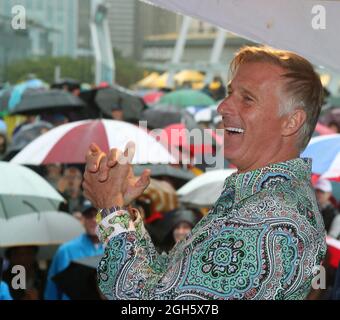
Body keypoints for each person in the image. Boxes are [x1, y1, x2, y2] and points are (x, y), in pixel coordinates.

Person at [83, 46, 327, 300]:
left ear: (291, 122)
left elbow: (139, 301)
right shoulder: (260, 202)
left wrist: (112, 209)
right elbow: (165, 282)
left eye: (247, 99)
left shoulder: (272, 221)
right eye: (230, 93)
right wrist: (121, 210)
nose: (223, 107)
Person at [44, 203, 104, 300]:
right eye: (89, 216)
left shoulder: (114, 250)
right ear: (82, 220)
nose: (93, 220)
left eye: (98, 215)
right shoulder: (65, 251)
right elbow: (51, 292)